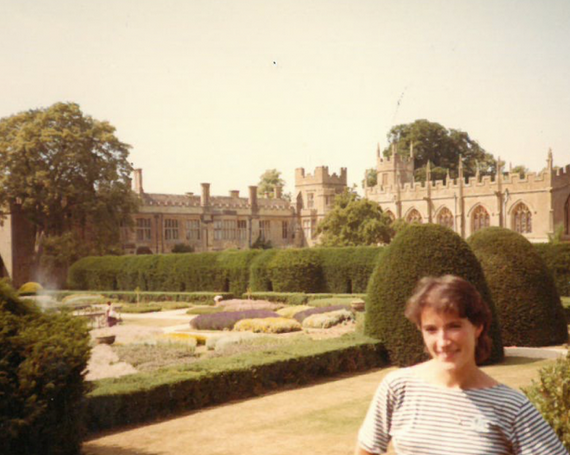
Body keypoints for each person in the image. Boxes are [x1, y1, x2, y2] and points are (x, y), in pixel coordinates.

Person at [356, 275, 569, 455]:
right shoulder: (398, 387)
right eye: (431, 329)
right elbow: (366, 450)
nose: (443, 341)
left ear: (478, 326)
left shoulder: (509, 406)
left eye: (454, 326)